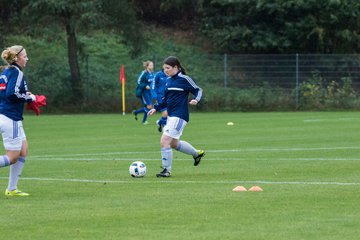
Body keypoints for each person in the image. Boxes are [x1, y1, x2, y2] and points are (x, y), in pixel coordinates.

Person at [148, 56, 205, 177]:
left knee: (164, 141)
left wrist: (196, 99)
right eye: (164, 69)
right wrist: (155, 108)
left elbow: (198, 90)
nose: (165, 71)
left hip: (180, 116)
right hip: (171, 116)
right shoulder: (168, 81)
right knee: (173, 143)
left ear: (176, 67)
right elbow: (165, 99)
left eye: (168, 68)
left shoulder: (184, 79)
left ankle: (166, 170)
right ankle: (196, 154)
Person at [0, 45, 37, 196]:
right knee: (13, 157)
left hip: (5, 115)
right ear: (16, 58)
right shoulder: (16, 73)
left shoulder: (5, 73)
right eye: (25, 56)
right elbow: (12, 94)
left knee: (23, 150)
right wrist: (30, 98)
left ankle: (12, 189)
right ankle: (11, 189)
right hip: (11, 118)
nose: (27, 58)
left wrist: (26, 94)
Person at [133, 61, 154, 125]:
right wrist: (145, 86)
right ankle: (143, 121)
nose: (152, 66)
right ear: (147, 66)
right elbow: (139, 82)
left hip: (149, 92)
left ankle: (136, 112)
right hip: (143, 92)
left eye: (152, 65)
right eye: (150, 65)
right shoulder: (144, 73)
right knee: (149, 106)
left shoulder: (152, 73)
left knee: (149, 107)